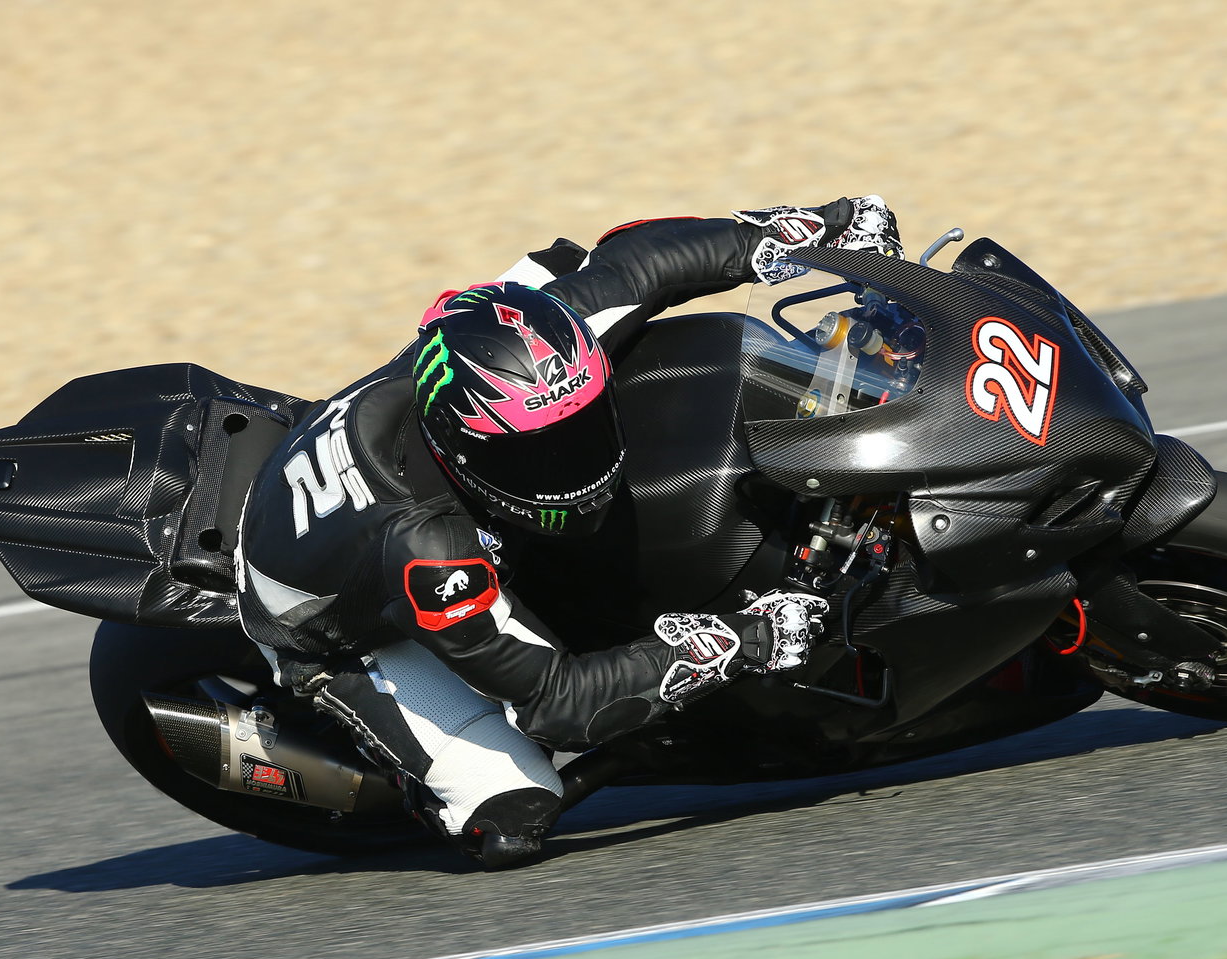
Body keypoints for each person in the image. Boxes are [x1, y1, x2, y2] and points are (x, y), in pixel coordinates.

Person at [234, 196, 904, 869]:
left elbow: (639, 263)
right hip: (321, 623)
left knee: (562, 272)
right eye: (545, 457)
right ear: (463, 451)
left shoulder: (525, 367)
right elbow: (554, 700)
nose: (580, 465)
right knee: (515, 803)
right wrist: (745, 639)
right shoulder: (432, 553)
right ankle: (404, 777)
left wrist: (810, 232)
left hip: (394, 468)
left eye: (581, 430)